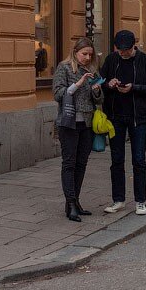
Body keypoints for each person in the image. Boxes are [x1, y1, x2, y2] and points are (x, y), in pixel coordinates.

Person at [100, 29, 146, 216]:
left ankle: (140, 201)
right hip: (116, 116)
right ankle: (118, 199)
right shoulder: (112, 60)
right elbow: (101, 81)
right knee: (116, 159)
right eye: (120, 50)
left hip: (138, 117)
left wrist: (133, 88)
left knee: (139, 159)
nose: (123, 53)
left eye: (126, 50)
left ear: (134, 46)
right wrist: (109, 84)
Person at [52, 37, 102, 222]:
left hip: (87, 123)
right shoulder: (64, 68)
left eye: (90, 54)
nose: (87, 58)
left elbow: (99, 99)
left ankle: (76, 201)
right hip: (68, 123)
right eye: (84, 54)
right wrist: (78, 84)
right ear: (75, 53)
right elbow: (58, 94)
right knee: (69, 163)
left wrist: (96, 90)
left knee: (82, 163)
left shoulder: (93, 70)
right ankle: (70, 203)